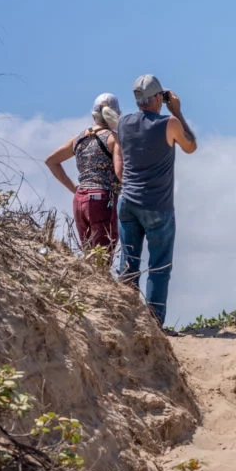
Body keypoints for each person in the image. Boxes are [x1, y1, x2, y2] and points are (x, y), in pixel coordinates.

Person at [113, 74, 197, 328]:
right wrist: (178, 112)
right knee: (159, 267)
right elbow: (190, 146)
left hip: (128, 201)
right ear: (159, 97)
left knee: (128, 264)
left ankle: (125, 320)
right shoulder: (169, 123)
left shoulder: (123, 123)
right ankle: (153, 326)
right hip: (157, 206)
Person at [44, 93, 123, 252]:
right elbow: (120, 172)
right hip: (102, 199)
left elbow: (51, 161)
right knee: (102, 255)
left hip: (80, 200)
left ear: (93, 115)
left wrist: (75, 188)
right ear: (116, 115)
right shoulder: (114, 139)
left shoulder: (79, 138)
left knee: (89, 253)